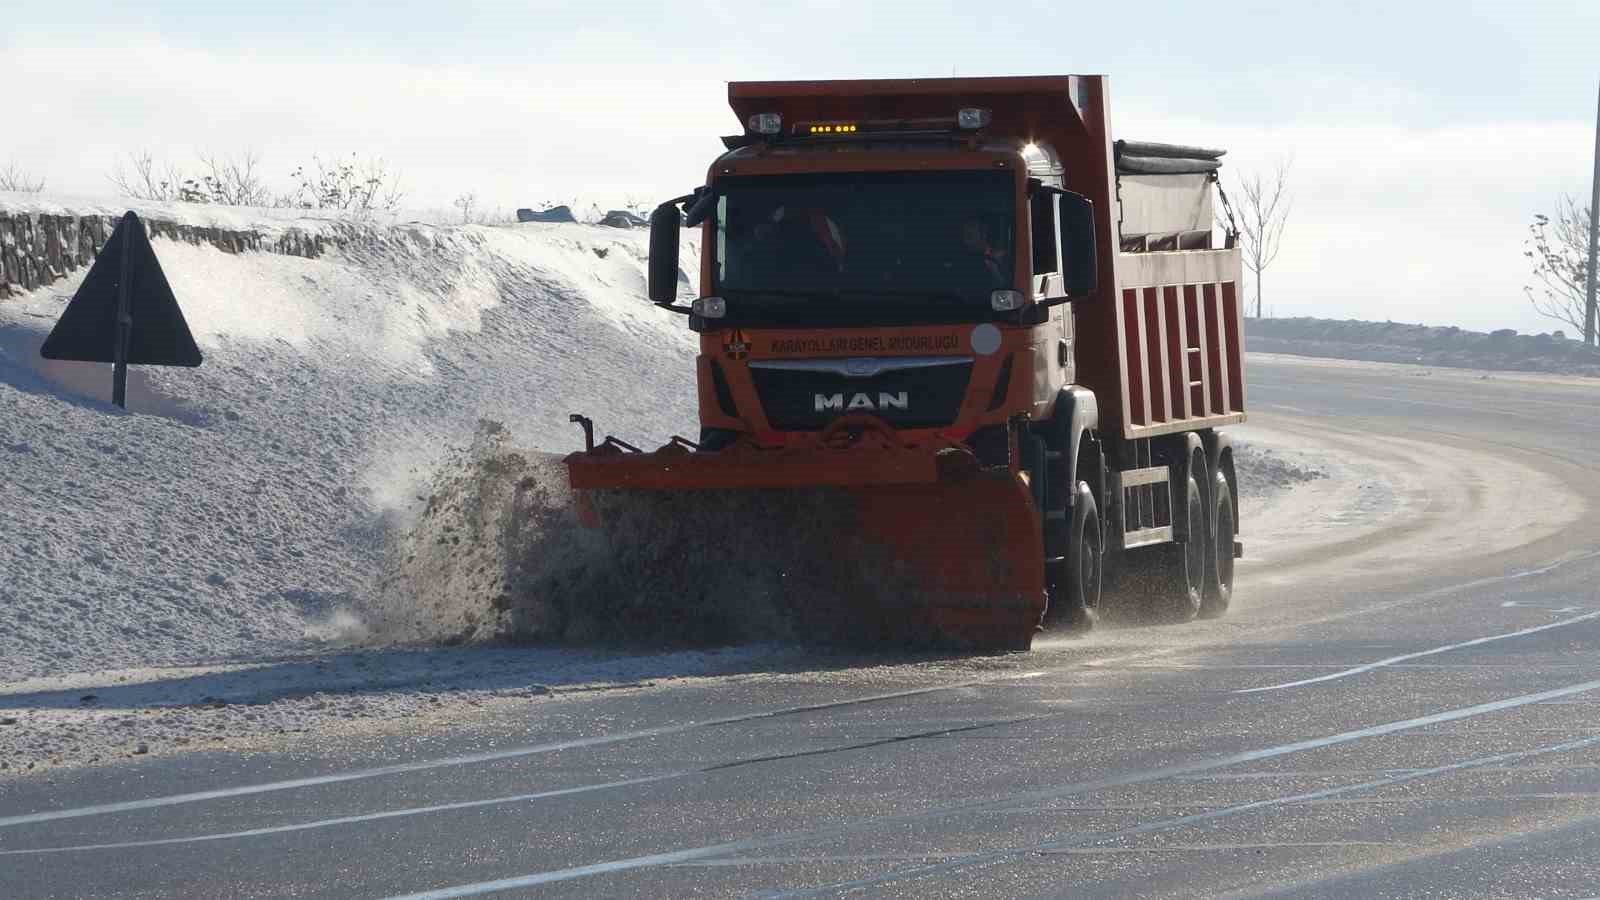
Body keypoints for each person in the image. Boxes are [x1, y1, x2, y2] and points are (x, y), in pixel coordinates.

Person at [959, 218, 1009, 287]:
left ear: (984, 235)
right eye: (964, 236)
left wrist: (996, 271)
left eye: (970, 235)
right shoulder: (962, 262)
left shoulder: (1000, 258)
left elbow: (1006, 289)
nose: (966, 241)